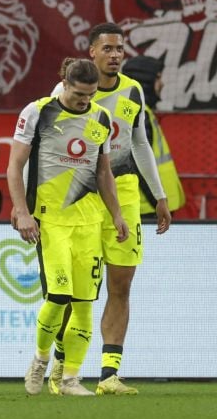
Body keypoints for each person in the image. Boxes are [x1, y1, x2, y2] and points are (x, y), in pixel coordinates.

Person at [45, 24, 172, 395]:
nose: (115, 55)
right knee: (74, 292)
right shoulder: (65, 91)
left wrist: (159, 195)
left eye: (120, 49)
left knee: (121, 285)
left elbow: (140, 143)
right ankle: (61, 365)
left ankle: (108, 374)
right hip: (81, 197)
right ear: (92, 52)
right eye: (108, 49)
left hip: (125, 194)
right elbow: (47, 145)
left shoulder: (133, 91)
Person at [12, 59, 129, 397]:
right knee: (58, 296)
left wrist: (116, 214)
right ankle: (40, 359)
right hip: (51, 221)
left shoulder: (100, 118)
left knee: (84, 303)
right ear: (63, 82)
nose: (84, 101)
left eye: (90, 95)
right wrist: (22, 211)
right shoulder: (38, 112)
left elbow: (103, 172)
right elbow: (14, 165)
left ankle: (70, 379)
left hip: (89, 223)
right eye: (79, 94)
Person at [122, 56, 186, 218]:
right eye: (158, 78)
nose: (162, 83)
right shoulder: (139, 114)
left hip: (148, 206)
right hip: (148, 209)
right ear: (146, 81)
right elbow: (139, 163)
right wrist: (158, 202)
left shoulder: (140, 111)